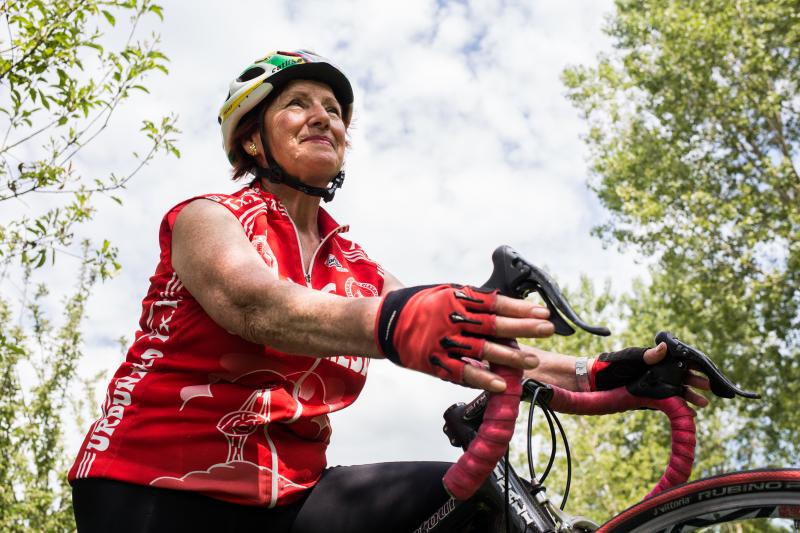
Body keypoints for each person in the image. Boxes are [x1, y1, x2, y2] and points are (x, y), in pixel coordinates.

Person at [68, 50, 709, 533]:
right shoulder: (209, 216)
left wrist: (606, 374)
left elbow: (474, 345)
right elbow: (255, 304)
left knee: (474, 509)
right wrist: (397, 321)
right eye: (299, 103)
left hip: (290, 495)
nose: (324, 116)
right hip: (153, 488)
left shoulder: (357, 267)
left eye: (335, 110)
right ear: (250, 136)